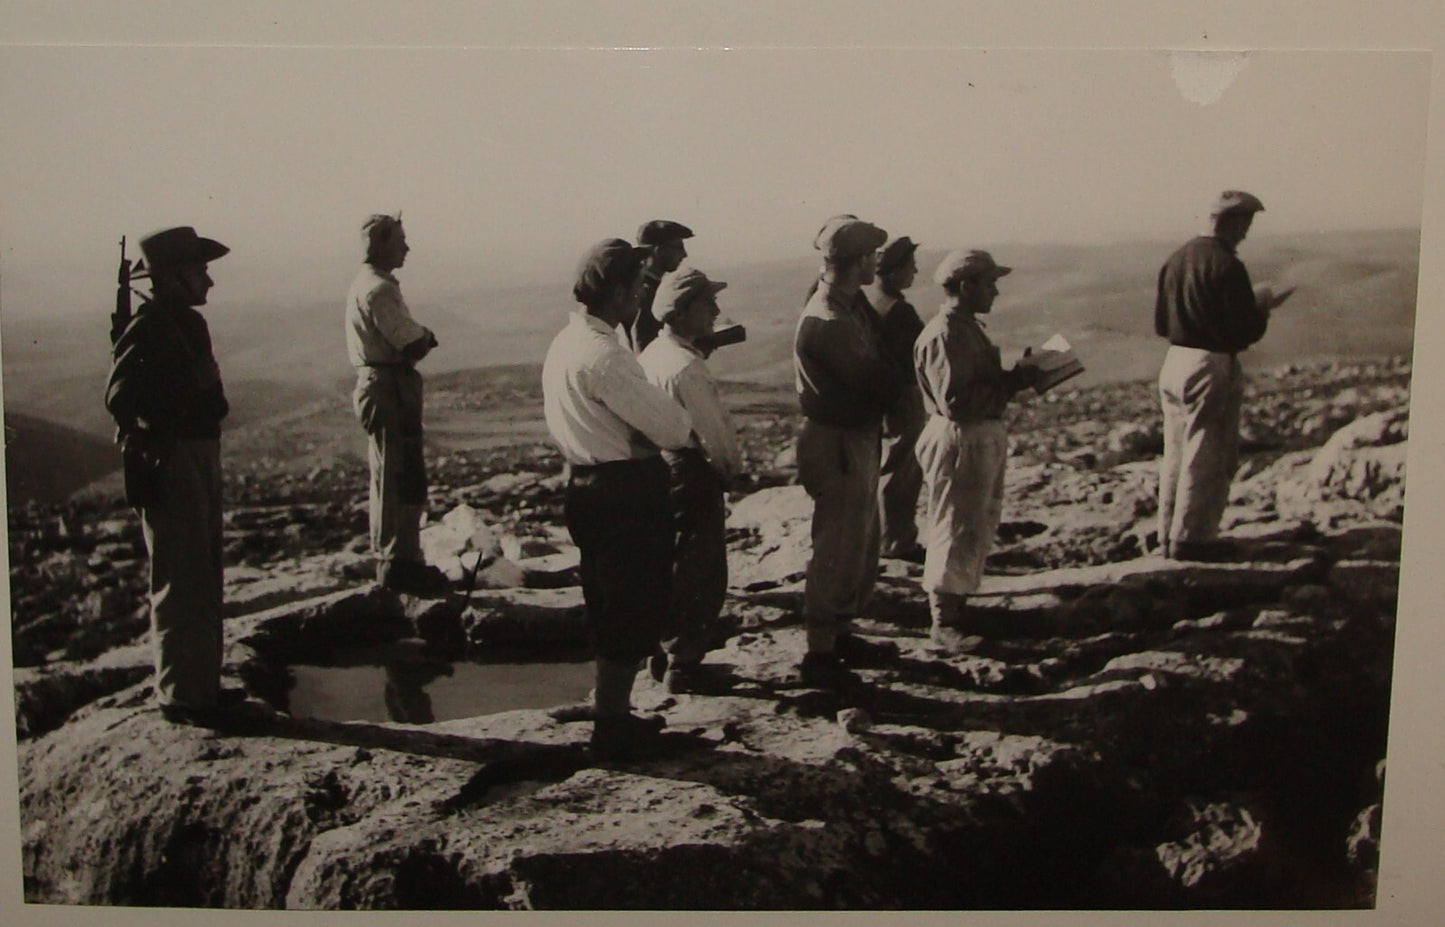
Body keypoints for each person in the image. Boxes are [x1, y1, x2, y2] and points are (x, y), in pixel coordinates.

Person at [542, 238, 695, 758]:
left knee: (609, 601)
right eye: (637, 286)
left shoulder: (567, 341)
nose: (641, 296)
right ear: (618, 292)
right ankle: (612, 727)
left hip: (587, 483)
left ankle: (615, 713)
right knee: (632, 602)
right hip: (624, 490)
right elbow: (674, 427)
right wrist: (649, 433)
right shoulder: (606, 355)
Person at [105, 226, 240, 725]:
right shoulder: (151, 324)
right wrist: (186, 391)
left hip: (197, 452)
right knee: (181, 577)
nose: (209, 281)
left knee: (201, 575)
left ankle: (200, 688)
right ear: (177, 277)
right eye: (201, 271)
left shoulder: (182, 322)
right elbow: (120, 398)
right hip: (173, 458)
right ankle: (182, 697)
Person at [1155, 191, 1294, 561]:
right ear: (1230, 223)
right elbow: (1245, 330)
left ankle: (1166, 535)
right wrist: (1261, 309)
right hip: (1209, 363)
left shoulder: (1176, 258)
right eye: (1245, 224)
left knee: (1176, 451)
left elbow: (1159, 321)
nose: (1246, 233)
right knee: (1208, 451)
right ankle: (1194, 539)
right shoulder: (1228, 266)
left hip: (1173, 362)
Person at [913, 250, 1040, 652]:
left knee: (971, 523)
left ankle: (956, 609)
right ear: (965, 286)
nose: (995, 291)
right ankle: (944, 621)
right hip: (960, 435)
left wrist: (1012, 381)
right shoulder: (946, 333)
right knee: (954, 524)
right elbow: (957, 402)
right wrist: (1013, 383)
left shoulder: (964, 327)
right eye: (988, 283)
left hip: (973, 434)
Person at [792, 214, 900, 686]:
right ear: (858, 260)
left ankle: (839, 633)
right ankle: (820, 652)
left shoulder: (849, 306)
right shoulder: (831, 319)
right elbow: (875, 379)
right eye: (872, 255)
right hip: (837, 440)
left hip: (854, 435)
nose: (877, 261)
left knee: (859, 541)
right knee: (837, 545)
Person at [638, 267, 744, 694]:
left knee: (666, 562)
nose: (716, 310)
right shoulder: (687, 369)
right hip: (689, 468)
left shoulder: (651, 355)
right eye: (706, 303)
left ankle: (661, 656)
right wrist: (729, 470)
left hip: (655, 468)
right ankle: (685, 664)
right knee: (700, 569)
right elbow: (713, 434)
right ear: (681, 312)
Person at [345, 214, 449, 595]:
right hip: (388, 387)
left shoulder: (372, 285)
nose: (407, 247)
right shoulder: (379, 290)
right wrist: (425, 336)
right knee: (398, 476)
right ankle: (398, 563)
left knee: (395, 473)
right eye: (400, 239)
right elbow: (410, 342)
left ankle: (400, 558)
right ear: (381, 244)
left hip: (387, 385)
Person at [866, 235, 927, 560]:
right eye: (910, 267)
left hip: (883, 398)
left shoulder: (870, 301)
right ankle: (897, 540)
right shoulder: (899, 310)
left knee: (890, 467)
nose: (914, 273)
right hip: (903, 398)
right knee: (903, 471)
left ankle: (888, 538)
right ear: (894, 270)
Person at [625, 219, 693, 353]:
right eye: (678, 247)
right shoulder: (645, 292)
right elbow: (642, 344)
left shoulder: (652, 287)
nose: (685, 254)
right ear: (659, 250)